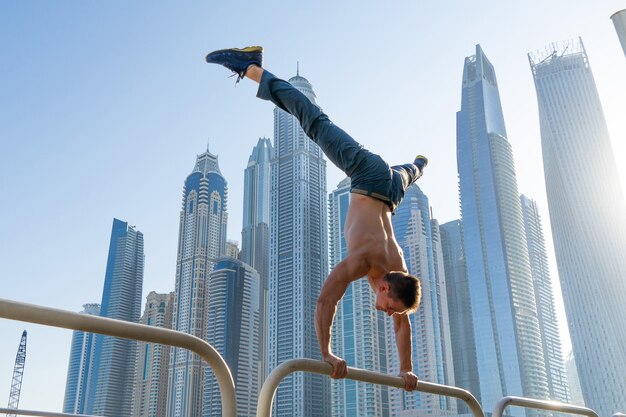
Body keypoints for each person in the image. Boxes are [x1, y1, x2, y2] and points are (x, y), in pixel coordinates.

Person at [205, 46, 426, 391]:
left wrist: (407, 369)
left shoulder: (398, 268)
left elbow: (403, 324)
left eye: (390, 310)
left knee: (407, 175)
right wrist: (327, 352)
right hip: (368, 175)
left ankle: (418, 166)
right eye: (388, 307)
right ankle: (251, 67)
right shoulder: (363, 261)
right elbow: (326, 300)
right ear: (385, 287)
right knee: (313, 120)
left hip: (392, 190)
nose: (386, 312)